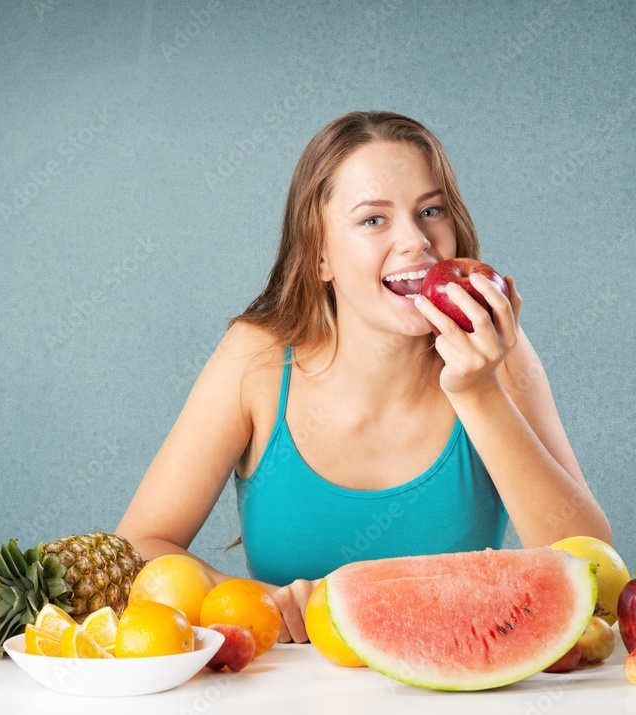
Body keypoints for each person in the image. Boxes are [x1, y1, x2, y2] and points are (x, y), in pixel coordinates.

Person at [117, 110, 611, 645]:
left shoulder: (497, 354)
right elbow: (141, 542)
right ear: (320, 256)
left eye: (431, 210)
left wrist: (479, 391)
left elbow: (591, 567)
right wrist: (253, 600)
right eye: (374, 219)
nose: (415, 240)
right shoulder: (256, 359)